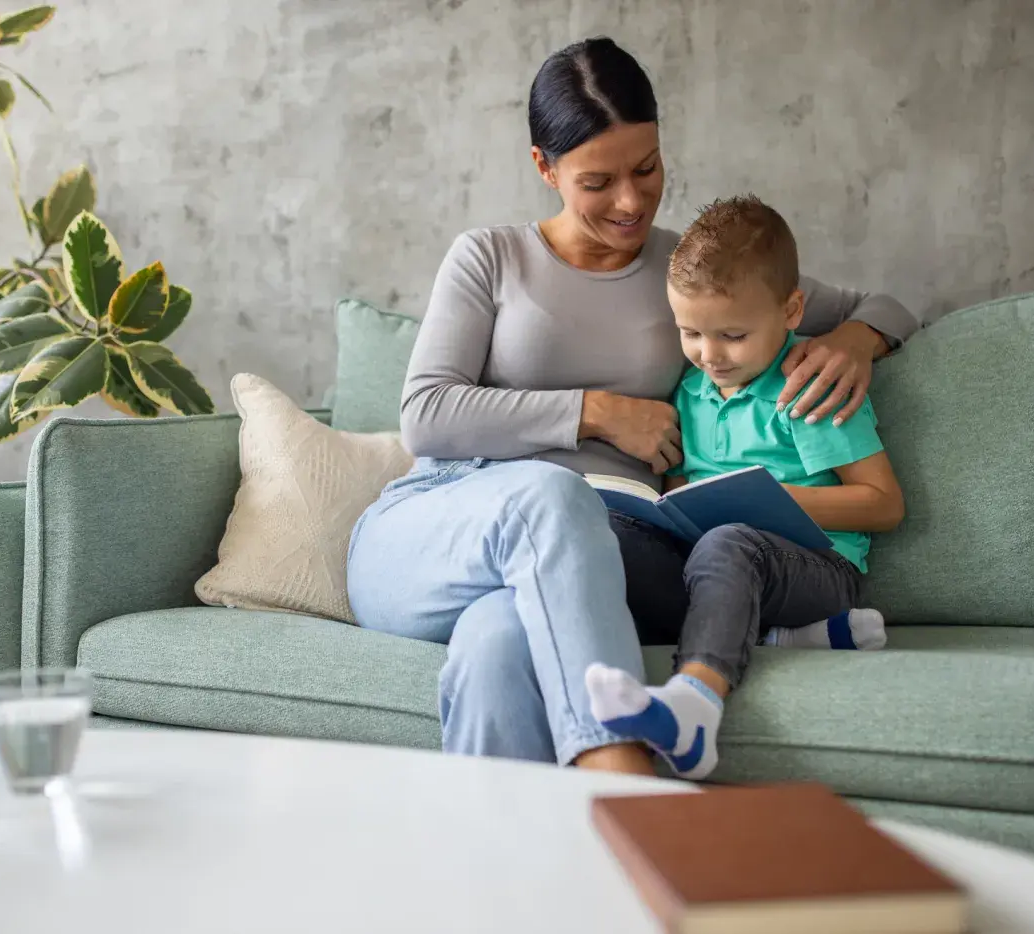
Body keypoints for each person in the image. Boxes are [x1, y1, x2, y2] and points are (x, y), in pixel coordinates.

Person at [344, 37, 921, 776]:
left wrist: (856, 339)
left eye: (647, 169)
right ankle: (629, 790)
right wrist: (597, 412)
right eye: (597, 181)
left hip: (581, 565)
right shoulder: (488, 257)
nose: (630, 201)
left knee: (497, 648)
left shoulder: (693, 272)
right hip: (437, 532)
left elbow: (887, 304)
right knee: (554, 496)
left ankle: (511, 875)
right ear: (544, 168)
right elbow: (427, 414)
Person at [584, 194, 905, 780]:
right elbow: (679, 494)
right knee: (601, 530)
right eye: (691, 334)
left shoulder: (807, 387)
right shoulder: (691, 389)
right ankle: (782, 636)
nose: (710, 356)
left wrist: (770, 504)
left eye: (732, 335)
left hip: (820, 569)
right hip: (718, 563)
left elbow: (883, 504)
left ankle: (693, 706)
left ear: (791, 311)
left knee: (729, 540)